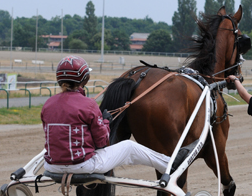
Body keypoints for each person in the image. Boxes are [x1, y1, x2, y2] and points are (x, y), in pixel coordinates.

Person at [41, 55, 170, 175]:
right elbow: (102, 142)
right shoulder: (89, 104)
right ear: (85, 78)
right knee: (129, 146)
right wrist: (105, 122)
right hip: (83, 165)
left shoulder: (47, 104)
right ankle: (169, 164)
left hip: (51, 166)